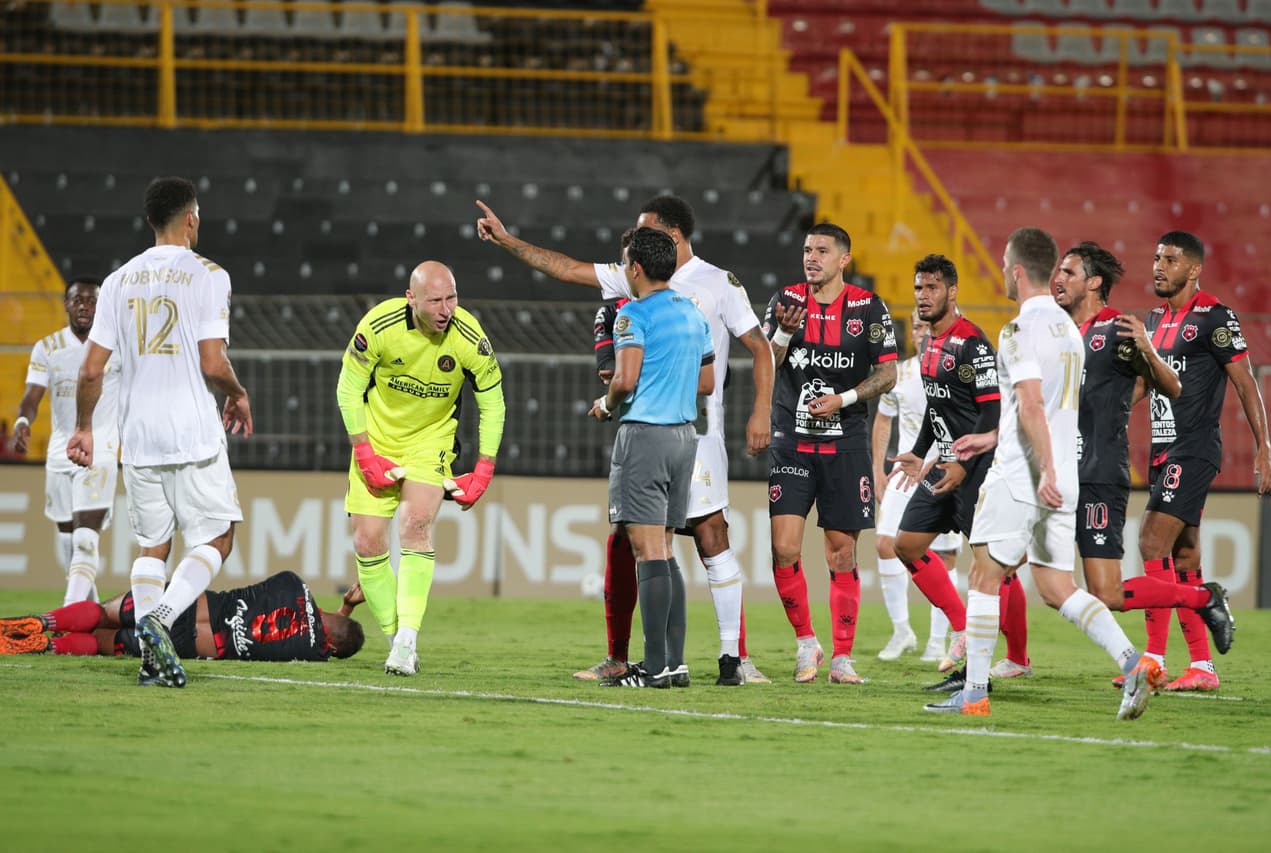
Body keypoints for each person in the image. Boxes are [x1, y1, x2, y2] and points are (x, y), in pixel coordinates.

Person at [924, 227, 1226, 720]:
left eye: (1004, 264)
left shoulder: (1020, 329)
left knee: (982, 576)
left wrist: (1037, 465)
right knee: (1057, 587)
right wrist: (997, 438)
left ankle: (973, 693)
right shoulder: (1069, 332)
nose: (1001, 272)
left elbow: (1032, 403)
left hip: (1026, 475)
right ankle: (1133, 661)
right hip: (1066, 477)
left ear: (1018, 270)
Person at [477, 195, 772, 685]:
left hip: (690, 433)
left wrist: (760, 410)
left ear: (671, 235)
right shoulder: (639, 279)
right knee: (635, 542)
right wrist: (508, 241)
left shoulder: (716, 284)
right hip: (679, 430)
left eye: (643, 230)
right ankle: (628, 657)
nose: (631, 240)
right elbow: (566, 269)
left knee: (706, 535)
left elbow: (757, 347)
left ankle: (726, 659)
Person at [67, 176, 252, 689]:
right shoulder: (209, 274)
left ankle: (152, 661)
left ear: (151, 221)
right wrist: (236, 394)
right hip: (192, 432)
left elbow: (89, 371)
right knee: (218, 534)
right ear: (191, 217)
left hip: (139, 437)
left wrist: (84, 427)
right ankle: (161, 618)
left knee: (153, 546)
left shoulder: (118, 281)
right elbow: (213, 363)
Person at [1049, 242, 1232, 692]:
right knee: (1019, 570)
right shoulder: (1057, 332)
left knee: (1110, 589)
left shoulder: (1117, 330)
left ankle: (1193, 611)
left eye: (1069, 272)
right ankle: (991, 660)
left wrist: (1148, 352)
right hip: (1061, 474)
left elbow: (1170, 385)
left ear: (1094, 282)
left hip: (1098, 472)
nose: (1059, 278)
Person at [337, 261, 506, 677]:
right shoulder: (379, 325)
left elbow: (493, 402)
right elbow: (348, 387)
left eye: (451, 298)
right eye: (435, 300)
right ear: (411, 298)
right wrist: (364, 453)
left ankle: (407, 639)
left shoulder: (469, 338)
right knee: (367, 541)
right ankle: (398, 642)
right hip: (376, 439)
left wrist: (484, 468)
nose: (446, 309)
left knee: (415, 524)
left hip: (430, 441)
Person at [761, 223, 898, 684]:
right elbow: (765, 364)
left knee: (841, 553)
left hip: (846, 443)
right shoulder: (785, 301)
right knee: (783, 548)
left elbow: (888, 375)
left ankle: (842, 658)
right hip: (791, 442)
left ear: (845, 259)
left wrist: (844, 399)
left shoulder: (867, 306)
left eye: (822, 250)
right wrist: (782, 334)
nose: (811, 257)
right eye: (806, 249)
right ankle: (806, 643)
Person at [1134, 230, 1269, 691]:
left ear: (1193, 269)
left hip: (1193, 449)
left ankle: (1151, 659)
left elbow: (1246, 382)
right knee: (1183, 553)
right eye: (1156, 258)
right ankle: (1202, 668)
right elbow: (1145, 385)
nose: (1158, 266)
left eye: (1170, 260)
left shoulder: (1215, 316)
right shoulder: (1152, 320)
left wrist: (1264, 446)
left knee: (1151, 542)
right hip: (1160, 449)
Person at [888, 255, 1025, 685]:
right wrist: (917, 451)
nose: (923, 296)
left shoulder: (972, 344)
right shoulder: (928, 343)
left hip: (977, 471)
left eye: (931, 288)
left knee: (996, 566)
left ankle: (1016, 657)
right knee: (906, 544)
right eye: (918, 288)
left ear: (952, 291)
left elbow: (992, 414)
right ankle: (964, 626)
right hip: (941, 465)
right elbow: (936, 407)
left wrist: (964, 467)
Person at [587, 227, 714, 687]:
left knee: (645, 551)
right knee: (664, 547)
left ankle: (655, 665)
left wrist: (605, 404)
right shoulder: (692, 314)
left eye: (625, 263)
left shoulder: (631, 316)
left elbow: (624, 379)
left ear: (636, 268)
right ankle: (674, 663)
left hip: (645, 436)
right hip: (684, 437)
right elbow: (707, 383)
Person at [12, 275, 120, 606]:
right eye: (79, 300)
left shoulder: (117, 345)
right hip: (60, 454)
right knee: (69, 542)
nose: (85, 306)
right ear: (67, 305)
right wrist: (22, 421)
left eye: (92, 301)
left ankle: (68, 614)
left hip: (100, 450)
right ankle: (89, 610)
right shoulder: (48, 347)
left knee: (87, 538)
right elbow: (32, 396)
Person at [0, 572, 366, 662]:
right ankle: (45, 644)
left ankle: (42, 622)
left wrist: (346, 607)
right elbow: (326, 639)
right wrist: (341, 622)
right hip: (186, 644)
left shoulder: (293, 583)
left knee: (102, 612)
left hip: (186, 604)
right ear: (330, 647)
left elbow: (321, 618)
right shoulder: (309, 651)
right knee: (99, 644)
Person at [870, 310, 963, 663]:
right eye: (916, 326)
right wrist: (878, 467)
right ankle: (902, 630)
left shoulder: (955, 370)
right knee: (884, 544)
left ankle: (939, 640)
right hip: (905, 472)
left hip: (943, 471)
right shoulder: (901, 373)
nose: (921, 332)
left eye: (927, 325)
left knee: (944, 556)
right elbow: (883, 420)